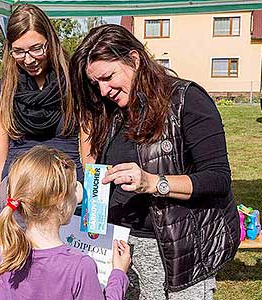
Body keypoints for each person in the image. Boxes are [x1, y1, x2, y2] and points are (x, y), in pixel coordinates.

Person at [70, 24, 240, 300]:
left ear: (135, 60)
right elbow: (103, 174)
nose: (102, 91)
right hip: (123, 247)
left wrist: (152, 182)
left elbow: (218, 179)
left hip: (180, 253)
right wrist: (79, 193)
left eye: (108, 77)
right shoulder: (112, 111)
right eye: (95, 83)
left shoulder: (188, 101)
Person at [0, 4, 90, 231]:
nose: (29, 59)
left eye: (36, 48)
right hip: (18, 201)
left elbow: (90, 154)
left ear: (50, 41)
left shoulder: (76, 84)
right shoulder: (6, 89)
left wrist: (93, 213)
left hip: (66, 199)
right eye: (19, 51)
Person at [0, 145, 130, 299]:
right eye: (73, 189)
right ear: (60, 201)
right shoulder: (79, 267)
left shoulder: (6, 253)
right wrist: (118, 275)